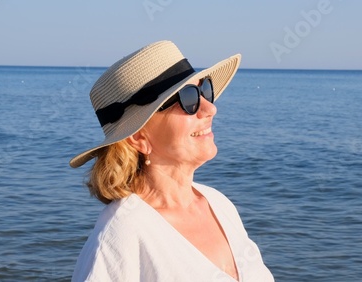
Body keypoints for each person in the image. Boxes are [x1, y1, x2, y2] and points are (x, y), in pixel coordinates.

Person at [69, 40, 274, 282]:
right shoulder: (121, 235)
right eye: (188, 99)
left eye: (204, 90)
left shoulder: (219, 204)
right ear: (138, 137)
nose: (210, 109)